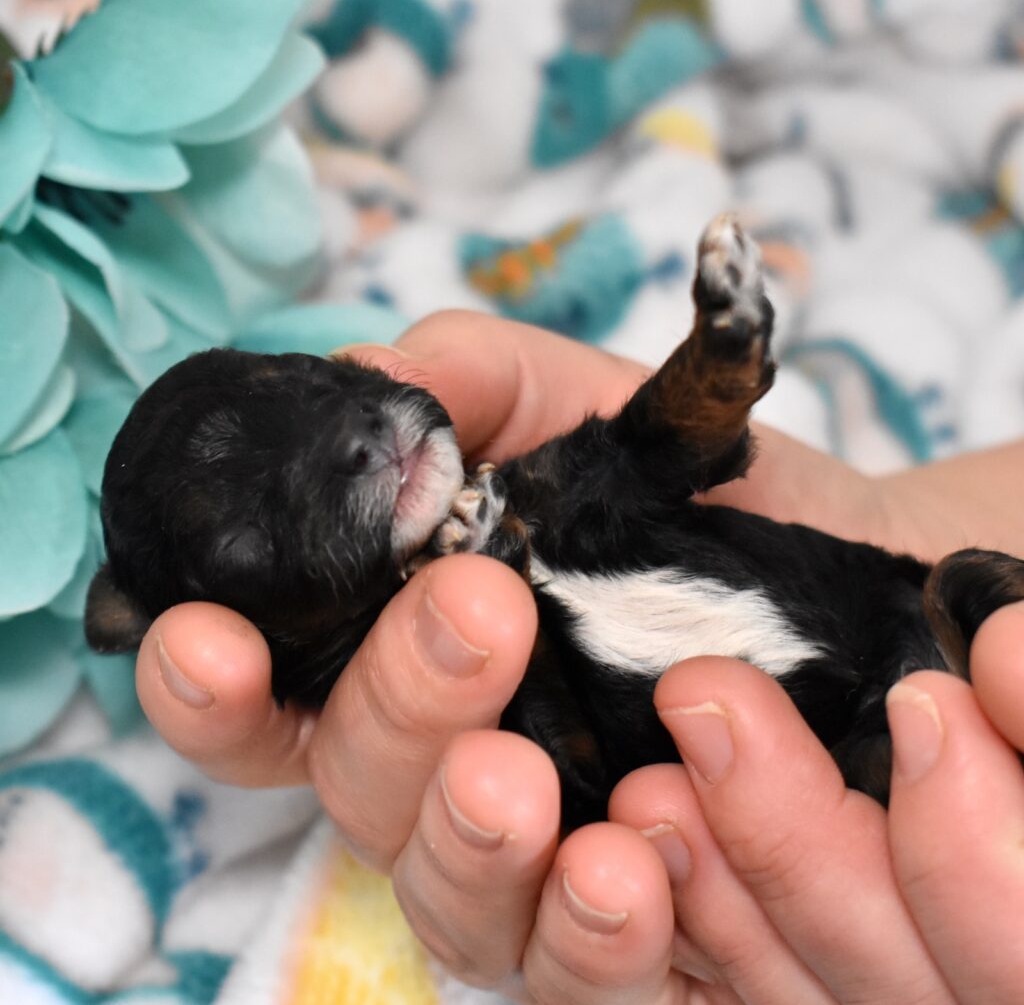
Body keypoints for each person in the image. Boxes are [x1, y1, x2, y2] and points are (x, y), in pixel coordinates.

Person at [136, 311, 1024, 1005]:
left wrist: (714, 365)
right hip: (862, 765)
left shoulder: (511, 491)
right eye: (253, 533)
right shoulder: (463, 673)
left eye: (302, 380)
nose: (343, 436)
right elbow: (575, 776)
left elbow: (644, 451)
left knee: (972, 590)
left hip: (913, 608)